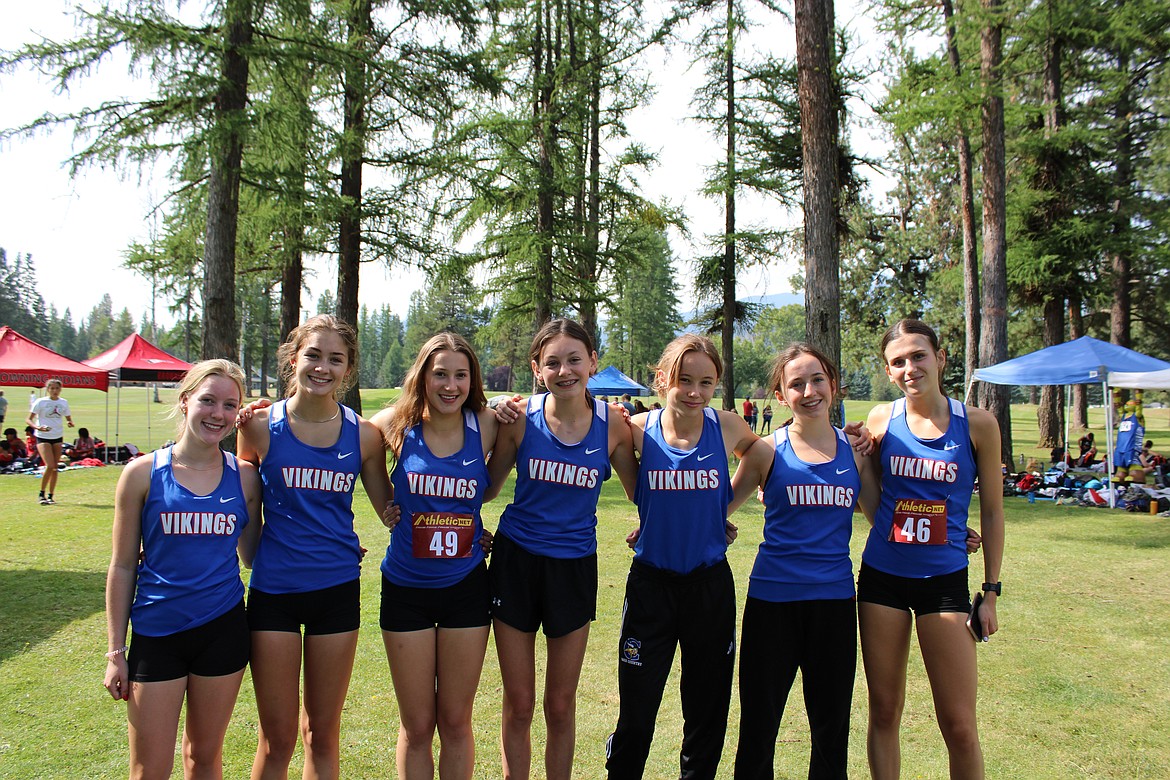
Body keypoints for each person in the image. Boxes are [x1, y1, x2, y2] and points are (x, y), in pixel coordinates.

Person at [236, 314, 393, 780]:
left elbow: (390, 509)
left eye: (335, 359)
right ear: (293, 359)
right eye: (313, 355)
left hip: (336, 592)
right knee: (277, 736)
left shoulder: (364, 436)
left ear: (348, 370)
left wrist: (462, 520)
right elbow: (241, 496)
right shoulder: (259, 427)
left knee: (322, 733)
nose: (322, 367)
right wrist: (247, 554)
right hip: (273, 595)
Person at [485, 319, 639, 780]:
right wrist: (490, 409)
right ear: (537, 369)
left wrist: (707, 521)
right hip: (516, 563)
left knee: (560, 704)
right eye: (552, 362)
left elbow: (643, 492)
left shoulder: (613, 425)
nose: (565, 370)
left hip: (573, 569)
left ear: (592, 362)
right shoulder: (518, 420)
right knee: (520, 703)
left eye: (574, 359)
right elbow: (486, 488)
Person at [605, 334, 757, 780]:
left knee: (706, 712)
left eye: (705, 382)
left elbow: (762, 455)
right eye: (683, 379)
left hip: (709, 586)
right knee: (637, 711)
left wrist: (719, 510)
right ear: (661, 379)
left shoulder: (726, 427)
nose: (694, 391)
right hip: (651, 586)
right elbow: (637, 491)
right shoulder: (635, 428)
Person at [858, 319, 1004, 780]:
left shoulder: (977, 424)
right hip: (882, 578)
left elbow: (995, 513)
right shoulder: (881, 419)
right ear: (887, 371)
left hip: (945, 584)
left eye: (918, 356)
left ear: (941, 358)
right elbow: (873, 498)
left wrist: (992, 591)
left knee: (959, 726)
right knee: (884, 712)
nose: (909, 368)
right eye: (897, 361)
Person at [103, 359, 263, 779]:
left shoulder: (245, 477)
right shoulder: (141, 474)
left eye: (230, 405)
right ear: (185, 400)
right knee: (149, 768)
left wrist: (329, 541)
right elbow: (122, 566)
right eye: (208, 401)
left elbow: (254, 555)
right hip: (157, 634)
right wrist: (116, 652)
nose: (217, 414)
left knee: (204, 759)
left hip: (223, 631)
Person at [730, 343, 879, 780]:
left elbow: (882, 517)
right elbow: (714, 508)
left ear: (833, 385)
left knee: (831, 731)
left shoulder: (857, 452)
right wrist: (656, 526)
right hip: (772, 604)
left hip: (833, 605)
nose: (809, 390)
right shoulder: (765, 450)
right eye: (796, 384)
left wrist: (948, 528)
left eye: (817, 379)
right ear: (780, 395)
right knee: (759, 728)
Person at [370, 333, 499, 780]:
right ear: (422, 377)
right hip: (405, 588)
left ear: (472, 379)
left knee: (457, 721)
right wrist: (385, 503)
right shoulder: (395, 425)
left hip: (465, 587)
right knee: (418, 725)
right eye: (439, 374)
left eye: (460, 375)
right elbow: (348, 438)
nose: (450, 385)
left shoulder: (488, 423)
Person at [27, 378, 74, 505]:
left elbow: (68, 417)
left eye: (57, 388)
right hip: (43, 436)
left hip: (57, 436)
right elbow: (29, 419)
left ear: (60, 389)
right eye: (52, 388)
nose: (55, 391)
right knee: (50, 465)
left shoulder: (63, 402)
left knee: (55, 468)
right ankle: (41, 493)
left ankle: (51, 495)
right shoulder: (41, 402)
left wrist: (70, 422)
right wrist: (37, 427)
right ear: (48, 389)